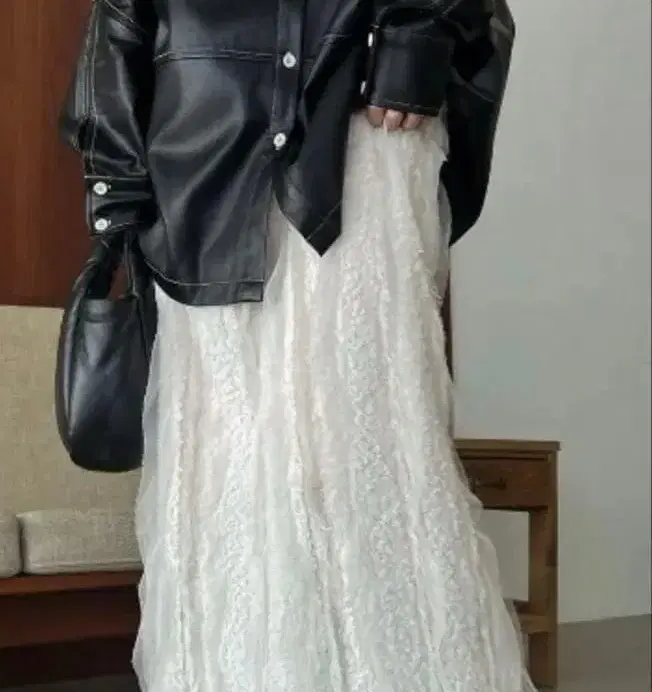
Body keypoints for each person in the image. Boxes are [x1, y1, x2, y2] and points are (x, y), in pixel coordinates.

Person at [61, 1, 532, 690]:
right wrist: (117, 191)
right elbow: (118, 23)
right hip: (202, 166)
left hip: (362, 137)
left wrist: (418, 35)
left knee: (366, 440)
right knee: (228, 458)